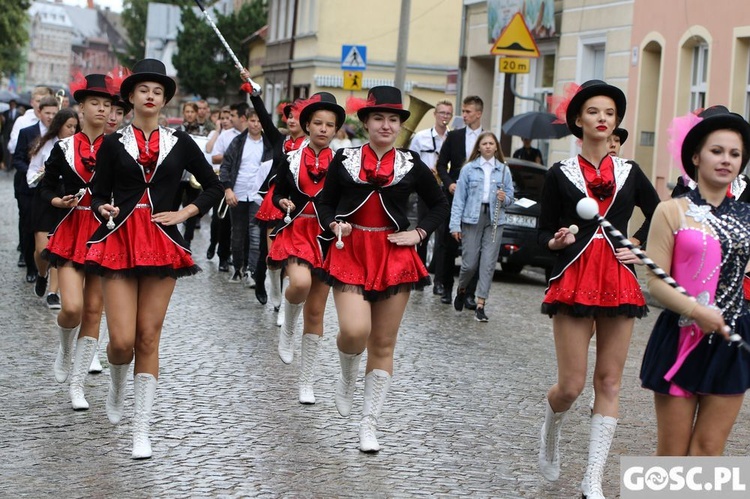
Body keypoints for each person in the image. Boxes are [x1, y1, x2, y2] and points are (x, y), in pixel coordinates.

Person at [85, 59, 223, 459]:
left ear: (164, 100)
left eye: (157, 91)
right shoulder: (113, 143)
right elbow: (97, 193)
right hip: (120, 241)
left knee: (148, 335)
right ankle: (115, 383)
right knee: (122, 342)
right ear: (131, 97)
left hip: (163, 242)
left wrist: (185, 213)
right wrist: (102, 210)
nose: (150, 96)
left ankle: (141, 428)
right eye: (143, 90)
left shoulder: (181, 142)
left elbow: (213, 186)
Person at [536, 80, 660, 499]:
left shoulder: (630, 172)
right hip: (573, 280)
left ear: (616, 123)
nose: (602, 119)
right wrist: (556, 242)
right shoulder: (560, 175)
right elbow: (542, 233)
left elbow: (659, 214)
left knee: (608, 383)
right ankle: (551, 426)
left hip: (619, 283)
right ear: (578, 120)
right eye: (593, 112)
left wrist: (638, 246)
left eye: (609, 113)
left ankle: (593, 478)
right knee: (571, 385)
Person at [318, 86, 449, 452]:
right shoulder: (344, 159)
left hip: (394, 253)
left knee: (383, 342)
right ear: (366, 122)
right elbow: (325, 203)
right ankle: (346, 374)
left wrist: (419, 233)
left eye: (393, 119)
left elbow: (439, 203)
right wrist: (334, 225)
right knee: (354, 330)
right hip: (352, 249)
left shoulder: (411, 164)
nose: (387, 125)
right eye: (379, 118)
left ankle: (369, 424)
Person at [640, 106, 750, 456]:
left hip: (732, 338)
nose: (726, 160)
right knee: (672, 454)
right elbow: (656, 282)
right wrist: (695, 310)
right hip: (681, 335)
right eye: (717, 151)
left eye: (734, 154)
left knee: (708, 451)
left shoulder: (748, 217)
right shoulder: (671, 210)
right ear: (696, 157)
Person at [41, 74, 114, 410]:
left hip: (105, 231)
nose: (102, 109)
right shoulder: (64, 148)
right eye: (94, 103)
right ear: (80, 108)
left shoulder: (119, 148)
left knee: (93, 311)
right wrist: (59, 202)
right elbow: (46, 187)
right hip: (72, 228)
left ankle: (77, 384)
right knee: (71, 307)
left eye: (107, 104)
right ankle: (65, 347)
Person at [271, 92, 345, 403]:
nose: (324, 129)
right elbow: (277, 192)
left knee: (316, 312)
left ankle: (307, 381)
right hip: (297, 229)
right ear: (307, 124)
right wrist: (282, 202)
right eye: (317, 123)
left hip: (328, 236)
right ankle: (287, 324)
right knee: (298, 283)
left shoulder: (345, 162)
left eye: (330, 124)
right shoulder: (290, 157)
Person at [449, 132, 514, 322]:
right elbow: (459, 199)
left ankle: (480, 304)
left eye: (491, 143)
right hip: (472, 217)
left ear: (496, 148)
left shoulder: (503, 170)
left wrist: (506, 198)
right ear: (478, 147)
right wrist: (455, 225)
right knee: (469, 264)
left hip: (494, 219)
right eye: (484, 143)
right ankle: (462, 289)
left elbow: (511, 198)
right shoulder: (469, 169)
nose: (487, 146)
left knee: (488, 263)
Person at [27, 107, 79, 310]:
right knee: (42, 249)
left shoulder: (76, 146)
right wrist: (39, 174)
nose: (72, 130)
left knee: (58, 247)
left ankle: (53, 292)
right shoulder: (44, 144)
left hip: (65, 194)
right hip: (45, 194)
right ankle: (42, 274)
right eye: (69, 126)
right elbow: (31, 172)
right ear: (59, 125)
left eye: (75, 126)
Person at [435, 95, 484, 307]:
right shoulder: (454, 137)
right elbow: (440, 165)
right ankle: (446, 288)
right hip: (454, 195)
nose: (463, 115)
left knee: (475, 246)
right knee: (448, 243)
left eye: (468, 112)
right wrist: (448, 184)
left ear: (478, 113)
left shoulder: (488, 139)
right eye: (463, 111)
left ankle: (469, 293)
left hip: (477, 198)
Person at [219, 104, 274, 286]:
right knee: (237, 232)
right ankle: (238, 267)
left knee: (255, 233)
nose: (256, 124)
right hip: (238, 192)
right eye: (252, 120)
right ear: (246, 120)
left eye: (259, 121)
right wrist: (227, 189)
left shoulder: (268, 144)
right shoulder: (238, 142)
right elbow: (226, 166)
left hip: (258, 195)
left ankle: (252, 271)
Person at [13, 96, 59, 281]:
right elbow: (17, 159)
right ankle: (31, 266)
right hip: (27, 188)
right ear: (39, 112)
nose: (50, 117)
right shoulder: (27, 132)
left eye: (54, 114)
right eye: (47, 113)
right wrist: (33, 173)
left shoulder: (59, 135)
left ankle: (45, 266)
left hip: (49, 191)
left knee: (45, 229)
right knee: (27, 226)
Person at [409, 99, 453, 289]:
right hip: (426, 189)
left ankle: (439, 281)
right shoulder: (421, 137)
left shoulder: (453, 138)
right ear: (435, 115)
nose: (445, 117)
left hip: (445, 189)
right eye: (442, 113)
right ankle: (419, 275)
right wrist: (427, 171)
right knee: (422, 233)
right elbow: (411, 160)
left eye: (448, 114)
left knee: (443, 236)